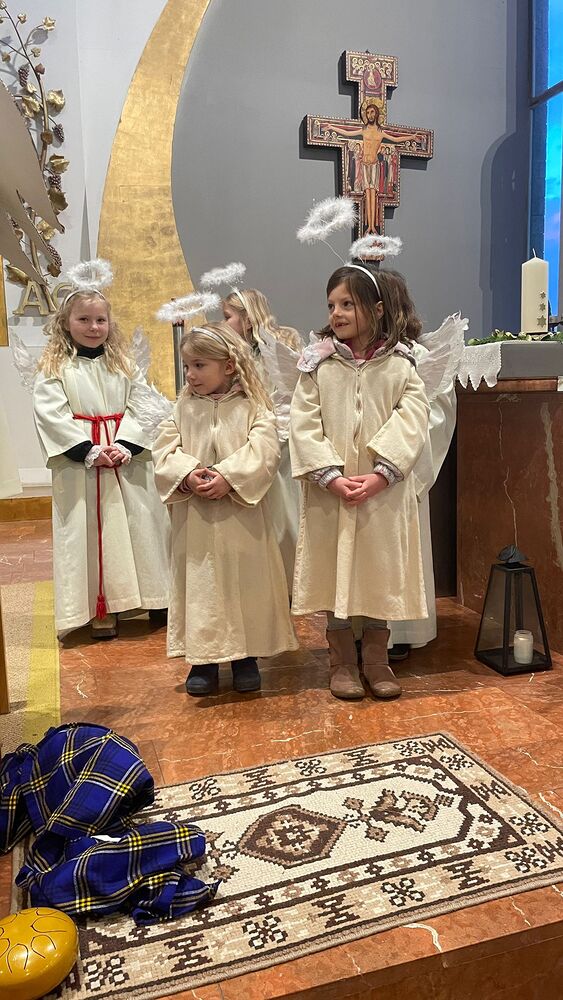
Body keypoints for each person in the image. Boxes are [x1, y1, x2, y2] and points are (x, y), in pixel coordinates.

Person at [289, 265, 429, 701]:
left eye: (347, 304)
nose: (337, 313)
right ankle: (342, 661)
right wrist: (329, 475)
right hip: (332, 490)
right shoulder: (318, 365)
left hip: (381, 492)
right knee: (336, 569)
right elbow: (302, 423)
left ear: (377, 309)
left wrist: (382, 472)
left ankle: (376, 659)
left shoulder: (401, 365)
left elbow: (413, 418)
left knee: (377, 571)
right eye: (332, 304)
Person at [152, 322, 297, 697]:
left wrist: (229, 477)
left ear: (229, 365)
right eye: (187, 366)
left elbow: (265, 452)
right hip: (197, 519)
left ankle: (246, 657)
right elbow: (164, 450)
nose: (190, 374)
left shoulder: (254, 408)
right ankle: (203, 660)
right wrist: (187, 475)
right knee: (202, 586)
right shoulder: (183, 408)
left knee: (244, 585)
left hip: (241, 518)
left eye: (199, 365)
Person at [33, 288, 169, 639]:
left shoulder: (123, 363)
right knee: (92, 533)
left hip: (126, 457)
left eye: (100, 320)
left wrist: (125, 444)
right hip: (81, 464)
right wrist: (88, 450)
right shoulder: (54, 367)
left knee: (142, 526)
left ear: (110, 323)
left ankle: (154, 597)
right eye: (84, 319)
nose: (93, 327)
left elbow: (142, 402)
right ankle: (101, 607)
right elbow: (50, 413)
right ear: (65, 322)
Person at [382, 270, 459, 659]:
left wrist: (396, 449)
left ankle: (401, 631)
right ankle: (364, 632)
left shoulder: (418, 357)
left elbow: (437, 413)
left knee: (402, 551)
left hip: (401, 468)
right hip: (360, 470)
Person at [222, 288, 302, 594]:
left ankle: (291, 582)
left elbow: (288, 393)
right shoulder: (233, 352)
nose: (224, 323)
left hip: (280, 437)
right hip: (249, 436)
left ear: (247, 318)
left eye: (228, 317)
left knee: (284, 511)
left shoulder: (282, 344)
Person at [320, 102, 424, 233]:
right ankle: (369, 225)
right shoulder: (364, 130)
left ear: (377, 113)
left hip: (374, 164)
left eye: (372, 112)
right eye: (368, 113)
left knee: (373, 195)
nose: (370, 115)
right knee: (367, 194)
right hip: (364, 164)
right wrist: (331, 127)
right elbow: (347, 133)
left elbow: (396, 139)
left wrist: (412, 137)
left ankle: (372, 226)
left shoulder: (381, 133)